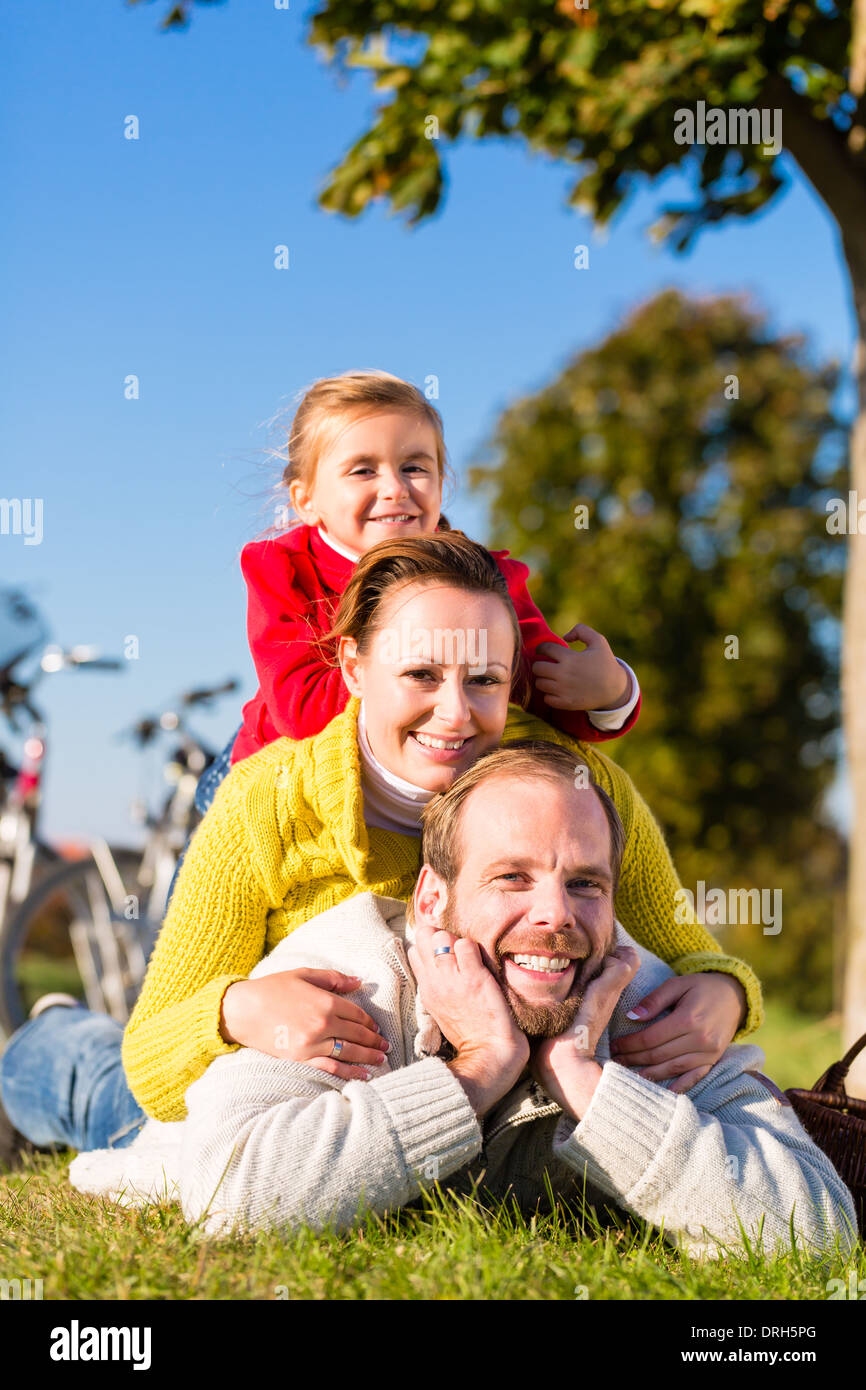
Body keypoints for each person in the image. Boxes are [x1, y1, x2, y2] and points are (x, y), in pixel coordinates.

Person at [0, 534, 762, 1149]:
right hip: (278, 1102)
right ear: (355, 665)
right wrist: (235, 1011)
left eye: (485, 681)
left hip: (431, 1117)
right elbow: (157, 1059)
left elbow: (689, 953)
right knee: (112, 1107)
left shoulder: (576, 788)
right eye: (421, 674)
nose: (456, 714)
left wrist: (724, 996)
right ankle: (47, 1040)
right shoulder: (267, 802)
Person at [68, 744, 856, 1258]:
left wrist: (585, 1082)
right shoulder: (353, 977)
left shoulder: (640, 1000)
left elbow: (818, 1230)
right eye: (512, 876)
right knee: (89, 1085)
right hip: (154, 1120)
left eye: (585, 883)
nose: (555, 915)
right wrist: (475, 1072)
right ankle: (54, 1036)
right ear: (431, 902)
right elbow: (228, 1197)